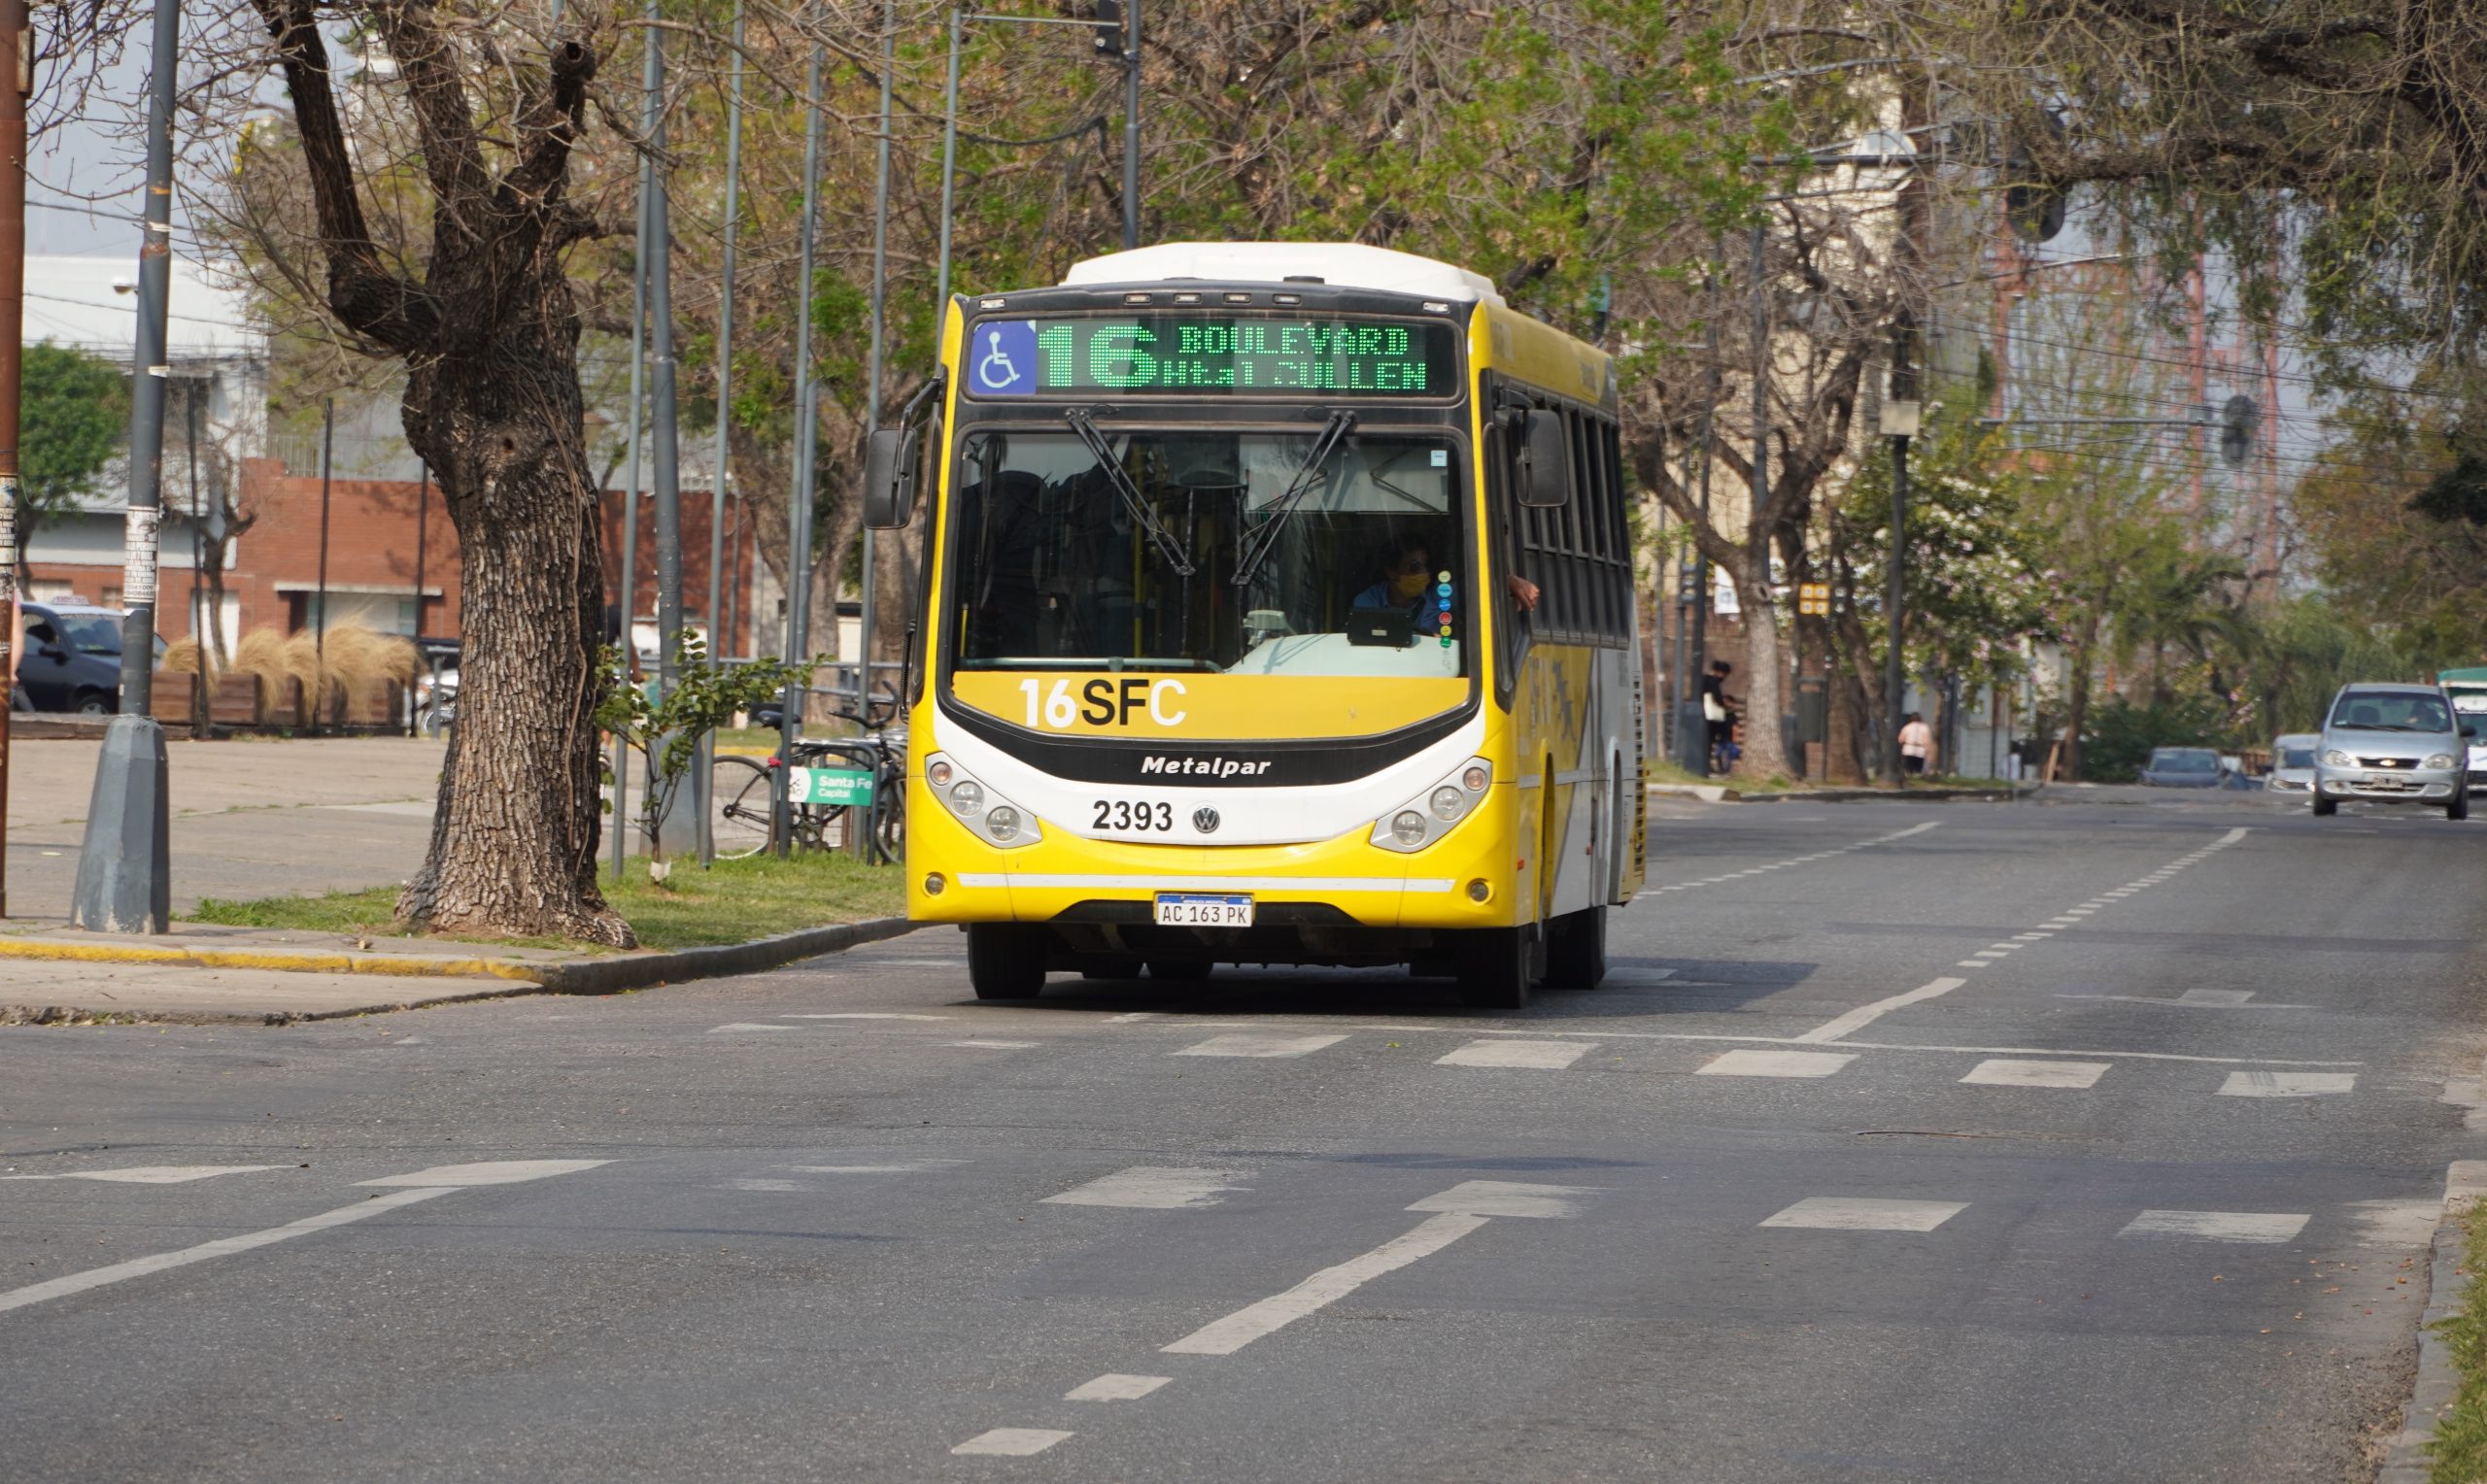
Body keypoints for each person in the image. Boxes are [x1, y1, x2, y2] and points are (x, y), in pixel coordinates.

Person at [1701, 660, 1738, 776]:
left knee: (1705, 740)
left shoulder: (1703, 679)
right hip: (1711, 716)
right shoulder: (1714, 681)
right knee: (1710, 740)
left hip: (1702, 713)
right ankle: (1706, 765)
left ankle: (1705, 763)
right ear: (1721, 672)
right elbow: (1716, 698)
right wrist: (1724, 705)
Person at [1898, 711, 1933, 778]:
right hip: (1920, 750)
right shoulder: (1924, 727)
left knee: (1908, 768)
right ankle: (1917, 778)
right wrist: (1929, 752)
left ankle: (1909, 777)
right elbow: (1927, 741)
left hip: (1908, 749)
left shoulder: (1907, 727)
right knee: (1918, 770)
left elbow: (1901, 739)